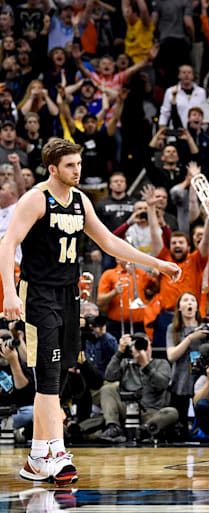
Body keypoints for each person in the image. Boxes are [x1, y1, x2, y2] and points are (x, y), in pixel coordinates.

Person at [0, 138, 180, 485]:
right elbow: (7, 244)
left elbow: (110, 242)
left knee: (59, 378)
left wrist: (157, 263)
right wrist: (9, 292)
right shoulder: (36, 199)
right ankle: (57, 451)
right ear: (52, 169)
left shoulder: (81, 201)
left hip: (68, 295)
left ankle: (38, 457)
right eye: (70, 165)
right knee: (48, 379)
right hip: (39, 295)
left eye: (79, 164)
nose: (77, 170)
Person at [97, 333, 179, 443]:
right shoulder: (125, 363)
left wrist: (146, 365)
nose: (143, 350)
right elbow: (109, 377)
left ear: (150, 347)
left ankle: (145, 430)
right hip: (127, 408)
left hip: (150, 411)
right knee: (108, 388)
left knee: (172, 412)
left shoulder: (161, 363)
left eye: (145, 346)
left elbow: (162, 385)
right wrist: (119, 353)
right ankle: (113, 427)